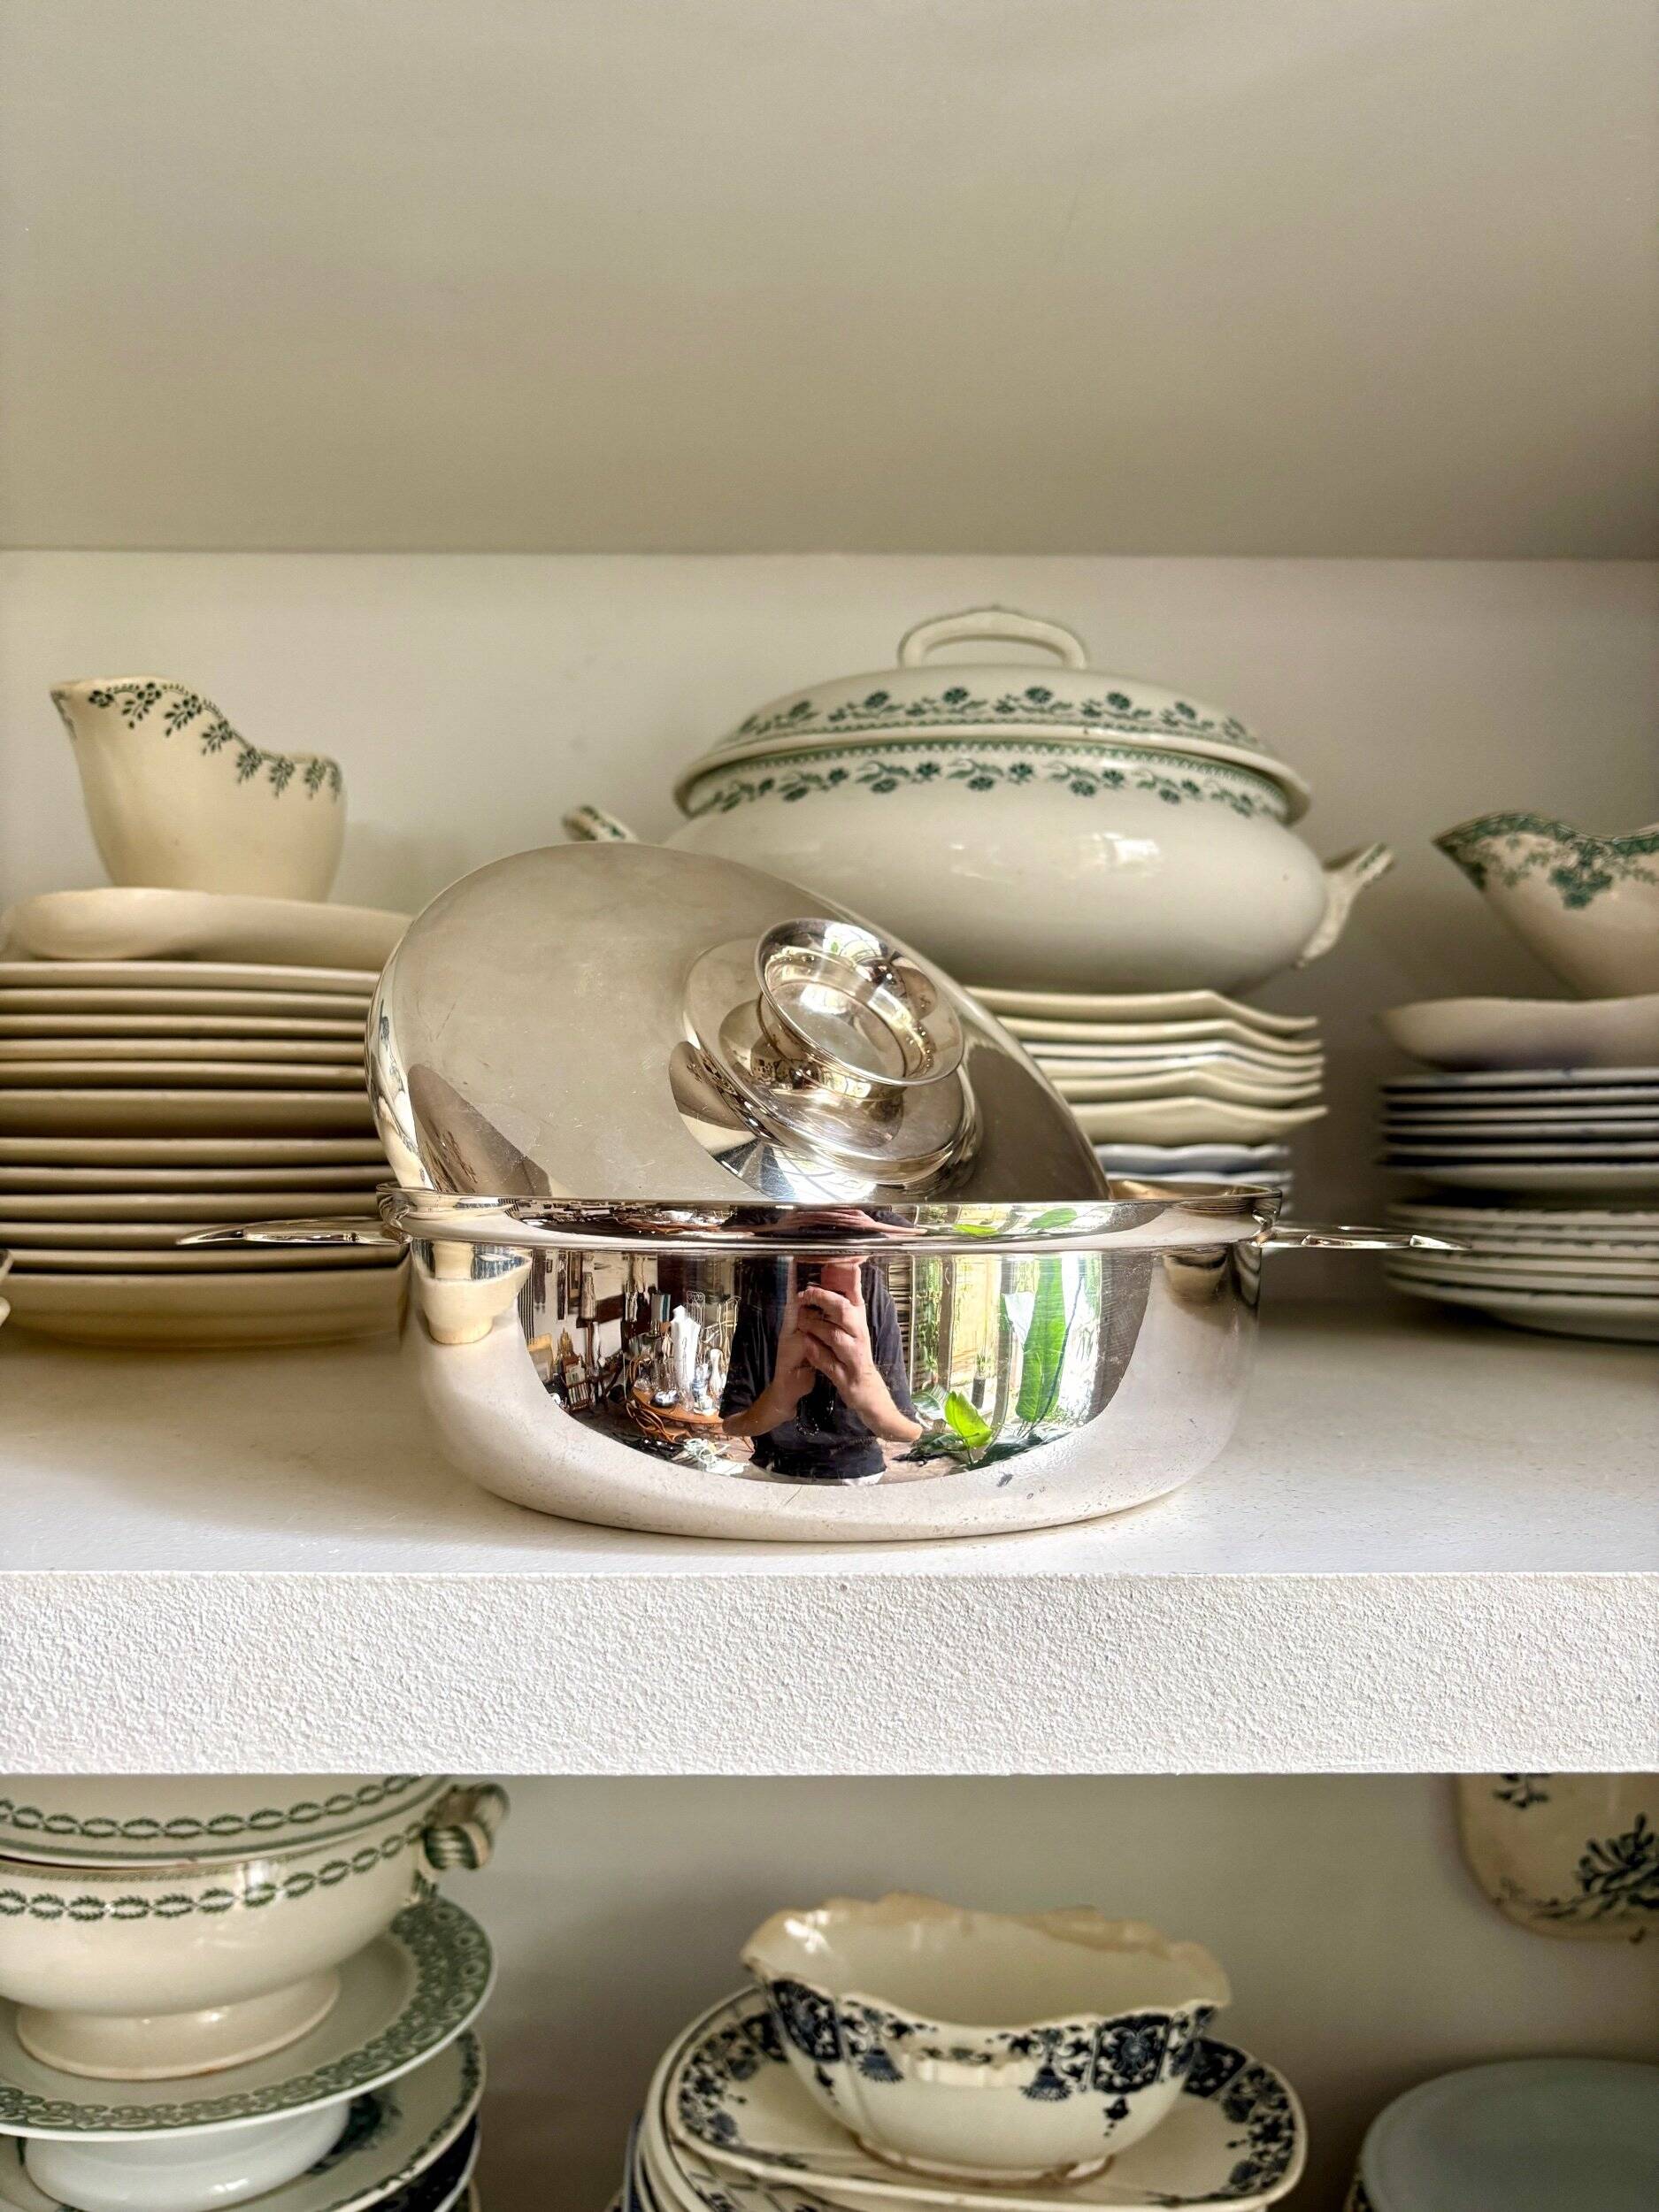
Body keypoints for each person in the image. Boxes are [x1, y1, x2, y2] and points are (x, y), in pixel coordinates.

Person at [721, 1253, 920, 1482]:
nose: (824, 1267)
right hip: (773, 1471)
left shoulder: (875, 1301)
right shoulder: (763, 1300)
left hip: (858, 1476)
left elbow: (910, 1432)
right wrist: (777, 1400)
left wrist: (871, 1397)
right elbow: (732, 1423)